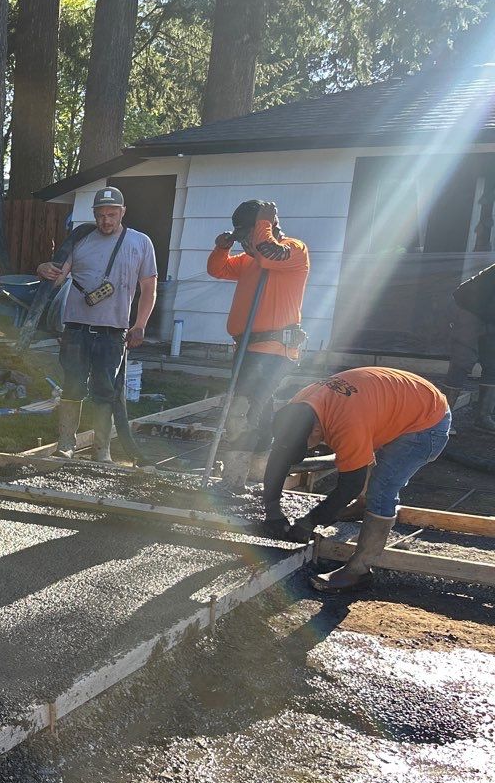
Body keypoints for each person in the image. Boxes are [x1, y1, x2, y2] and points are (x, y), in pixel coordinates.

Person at [262, 367, 451, 593]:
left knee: (382, 487)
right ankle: (363, 507)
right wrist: (272, 509)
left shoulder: (346, 423)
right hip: (400, 401)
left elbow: (350, 484)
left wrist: (310, 521)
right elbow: (278, 458)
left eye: (306, 446)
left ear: (315, 430)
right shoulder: (299, 407)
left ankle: (359, 570)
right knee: (362, 458)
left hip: (427, 421)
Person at [36, 186, 157, 462]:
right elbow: (57, 277)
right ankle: (66, 443)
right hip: (76, 327)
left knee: (106, 390)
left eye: (112, 214)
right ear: (94, 214)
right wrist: (42, 269)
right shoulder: (80, 239)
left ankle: (101, 450)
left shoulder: (140, 243)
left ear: (123, 212)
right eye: (101, 215)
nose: (106, 221)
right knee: (72, 385)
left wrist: (140, 324)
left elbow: (149, 287)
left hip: (113, 330)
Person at [207, 199, 311, 490]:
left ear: (267, 227)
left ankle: (233, 479)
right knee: (259, 411)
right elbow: (218, 270)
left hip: (274, 351)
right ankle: (258, 473)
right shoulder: (248, 260)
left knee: (242, 410)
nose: (246, 244)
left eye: (247, 237)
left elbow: (268, 255)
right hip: (247, 348)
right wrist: (223, 247)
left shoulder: (294, 250)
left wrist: (263, 223)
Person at [454, 261, 495, 430]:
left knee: (493, 365)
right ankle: (441, 418)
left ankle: (483, 417)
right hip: (470, 310)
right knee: (462, 362)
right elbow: (463, 294)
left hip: (490, 315)